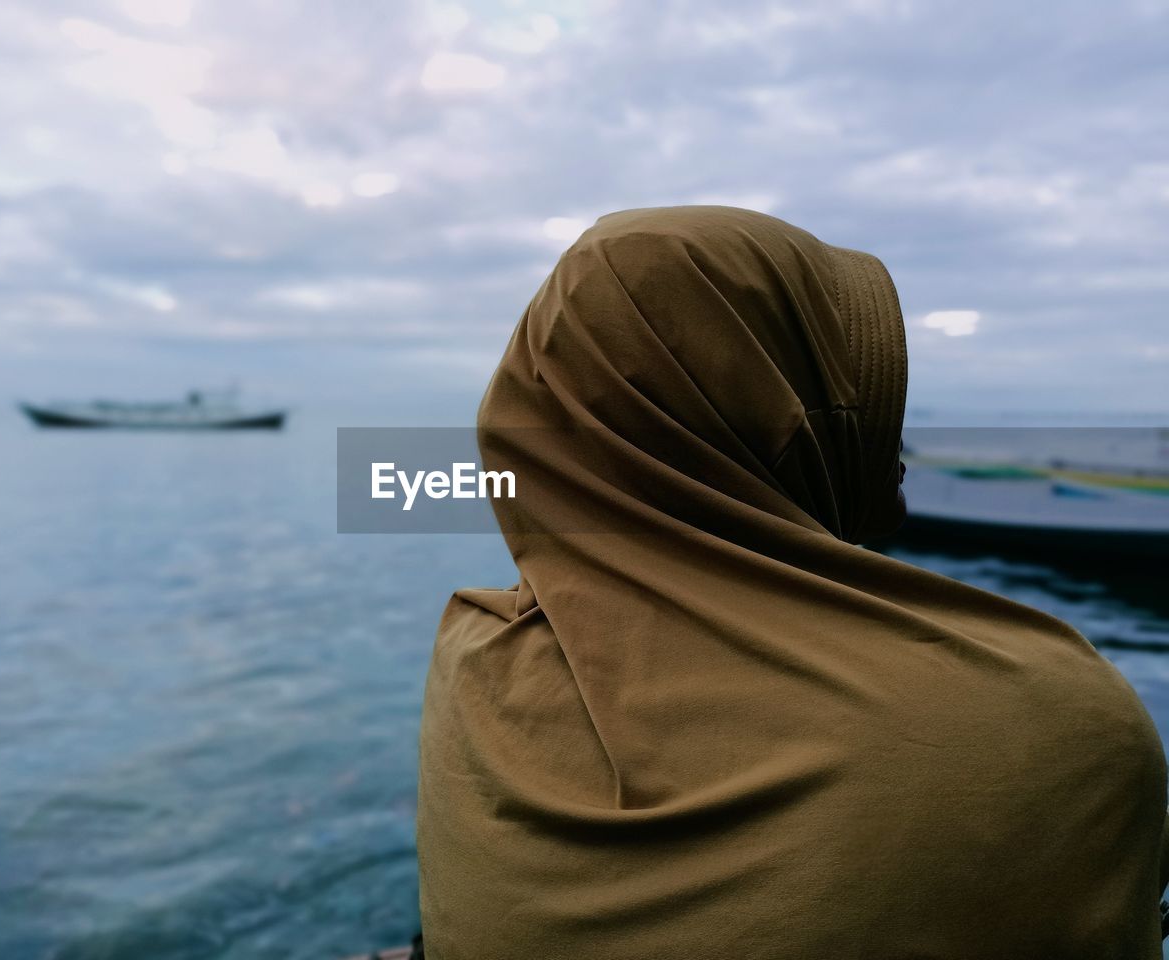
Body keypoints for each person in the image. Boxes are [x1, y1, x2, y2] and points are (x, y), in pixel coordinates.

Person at [415, 205, 1169, 959]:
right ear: (761, 409)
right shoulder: (1048, 727)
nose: (887, 423)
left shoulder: (474, 660)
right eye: (849, 380)